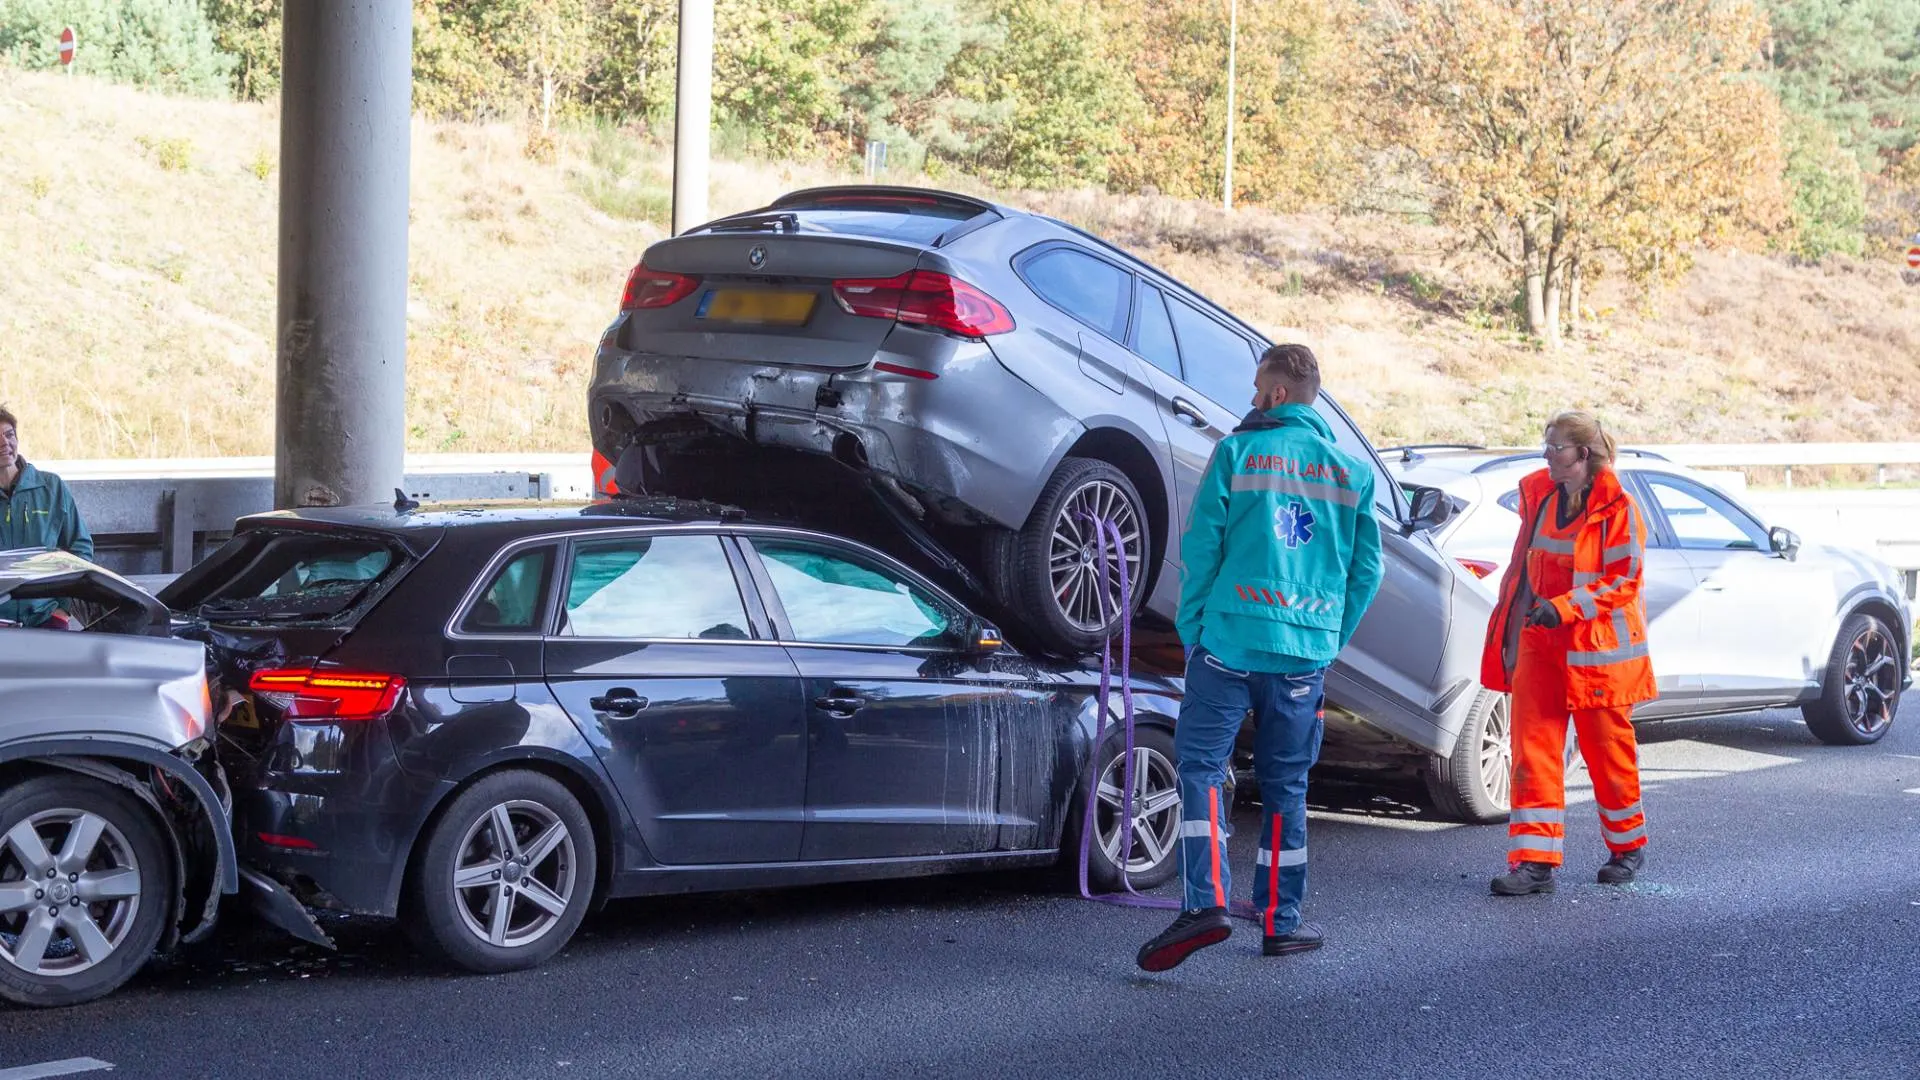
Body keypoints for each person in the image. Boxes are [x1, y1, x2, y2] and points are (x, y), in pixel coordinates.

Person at [1136, 344, 1383, 972]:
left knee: (1200, 770)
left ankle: (1205, 904)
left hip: (1227, 643)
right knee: (1286, 787)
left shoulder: (1238, 452)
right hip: (1302, 656)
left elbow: (1202, 547)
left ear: (1276, 394)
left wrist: (1194, 630)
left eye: (1256, 388)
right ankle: (1281, 922)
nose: (1251, 399)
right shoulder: (1353, 473)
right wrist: (1328, 637)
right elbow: (1366, 572)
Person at [1480, 410, 1656, 896]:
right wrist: (1513, 636)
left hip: (1597, 651)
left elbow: (1623, 580)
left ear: (1582, 454)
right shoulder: (1539, 497)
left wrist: (1564, 608)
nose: (1547, 454)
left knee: (1608, 753)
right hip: (1541, 639)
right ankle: (1534, 863)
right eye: (1547, 444)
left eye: (1555, 446)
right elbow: (1523, 572)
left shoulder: (1619, 508)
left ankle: (1626, 847)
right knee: (1532, 751)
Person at [0, 404, 94, 629]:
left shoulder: (51, 487)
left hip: (46, 617)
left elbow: (80, 548)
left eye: (9, 435)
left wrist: (64, 608)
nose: (4, 443)